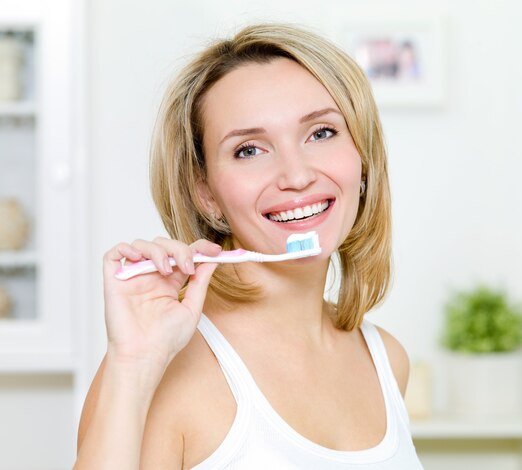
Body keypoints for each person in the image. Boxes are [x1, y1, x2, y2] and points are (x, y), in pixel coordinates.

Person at [74, 23, 424, 469]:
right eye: (249, 150)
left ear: (363, 161)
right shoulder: (160, 364)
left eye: (321, 133)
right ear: (207, 195)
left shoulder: (385, 359)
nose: (296, 176)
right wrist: (133, 365)